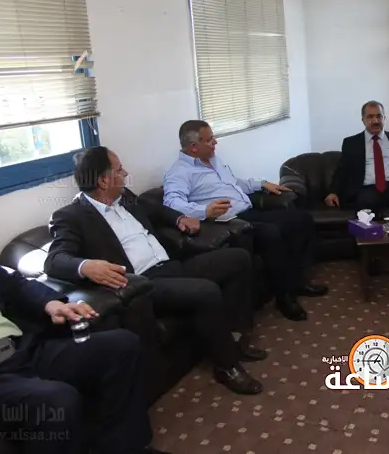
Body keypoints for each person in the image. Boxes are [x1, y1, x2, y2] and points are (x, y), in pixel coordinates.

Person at [45, 146, 266, 395]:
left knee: (238, 259)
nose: (125, 173)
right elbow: (54, 260)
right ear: (103, 181)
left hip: (173, 266)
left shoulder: (125, 197)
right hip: (146, 283)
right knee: (206, 291)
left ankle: (235, 338)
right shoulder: (71, 216)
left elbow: (154, 209)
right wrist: (85, 266)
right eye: (119, 169)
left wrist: (178, 218)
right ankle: (227, 366)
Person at [0, 236, 168, 454]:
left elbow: (13, 284)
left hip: (21, 349)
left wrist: (51, 303)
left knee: (121, 346)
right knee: (56, 399)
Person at [162, 120, 328, 323]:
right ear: (193, 147)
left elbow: (234, 183)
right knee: (271, 233)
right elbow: (171, 203)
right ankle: (284, 297)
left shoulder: (213, 160)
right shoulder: (179, 172)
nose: (215, 142)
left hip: (248, 211)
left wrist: (261, 184)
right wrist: (204, 210)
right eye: (210, 140)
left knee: (302, 219)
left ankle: (296, 280)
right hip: (229, 222)